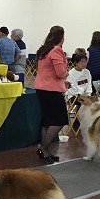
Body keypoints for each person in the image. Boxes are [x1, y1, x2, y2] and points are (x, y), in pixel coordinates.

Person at [33, 25, 69, 163]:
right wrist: (65, 73)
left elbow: (46, 72)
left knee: (47, 121)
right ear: (61, 37)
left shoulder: (43, 51)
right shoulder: (56, 51)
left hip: (41, 88)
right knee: (60, 120)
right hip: (52, 90)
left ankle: (45, 151)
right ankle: (43, 148)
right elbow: (60, 73)